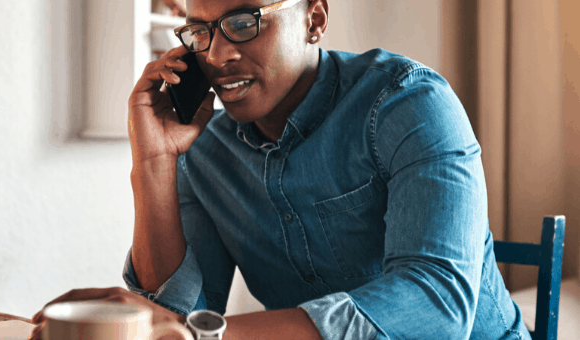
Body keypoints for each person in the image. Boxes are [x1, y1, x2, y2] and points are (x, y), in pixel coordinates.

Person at [31, 0, 531, 339]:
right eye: (199, 31)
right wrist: (154, 164)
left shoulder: (409, 103)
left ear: (314, 18)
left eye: (245, 21)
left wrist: (184, 334)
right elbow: (178, 318)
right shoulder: (208, 152)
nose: (217, 54)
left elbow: (435, 306)